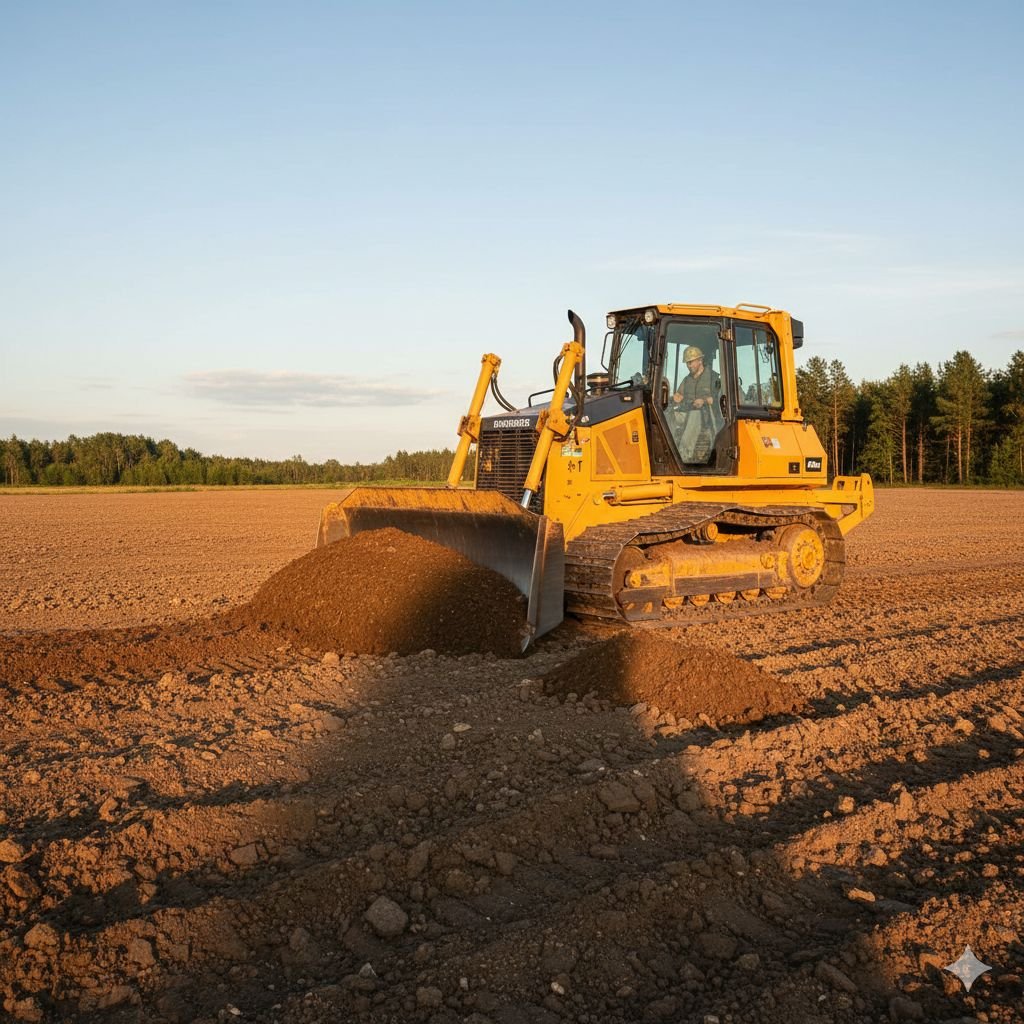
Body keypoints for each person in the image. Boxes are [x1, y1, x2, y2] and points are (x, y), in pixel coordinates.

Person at [671, 345, 722, 462]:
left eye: (691, 362)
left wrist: (704, 401)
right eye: (687, 363)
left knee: (695, 414)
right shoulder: (687, 380)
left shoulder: (714, 378)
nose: (689, 366)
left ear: (700, 360)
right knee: (668, 415)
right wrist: (676, 397)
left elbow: (719, 399)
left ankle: (683, 456)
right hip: (687, 412)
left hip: (706, 415)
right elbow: (680, 394)